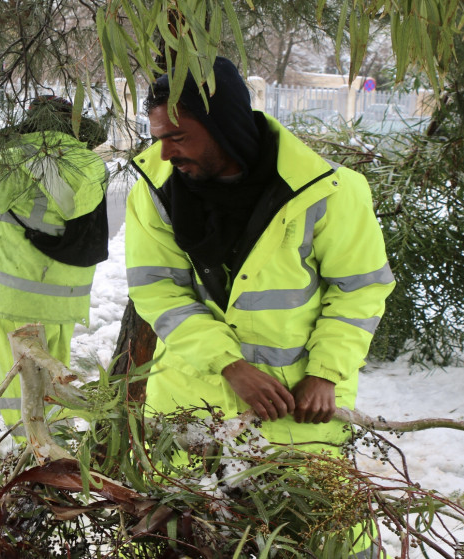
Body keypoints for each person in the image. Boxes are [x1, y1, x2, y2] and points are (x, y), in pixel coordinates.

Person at [124, 57, 395, 555]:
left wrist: (326, 374)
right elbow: (157, 290)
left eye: (177, 137)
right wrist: (229, 365)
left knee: (318, 539)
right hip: (191, 412)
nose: (164, 153)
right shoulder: (156, 193)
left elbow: (360, 290)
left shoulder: (331, 191)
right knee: (193, 541)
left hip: (296, 415)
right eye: (158, 136)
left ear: (222, 125)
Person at [0, 96, 109, 440]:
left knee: (21, 392)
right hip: (66, 298)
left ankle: (30, 460)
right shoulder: (93, 165)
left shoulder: (19, 161)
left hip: (17, 300)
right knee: (54, 384)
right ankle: (60, 451)